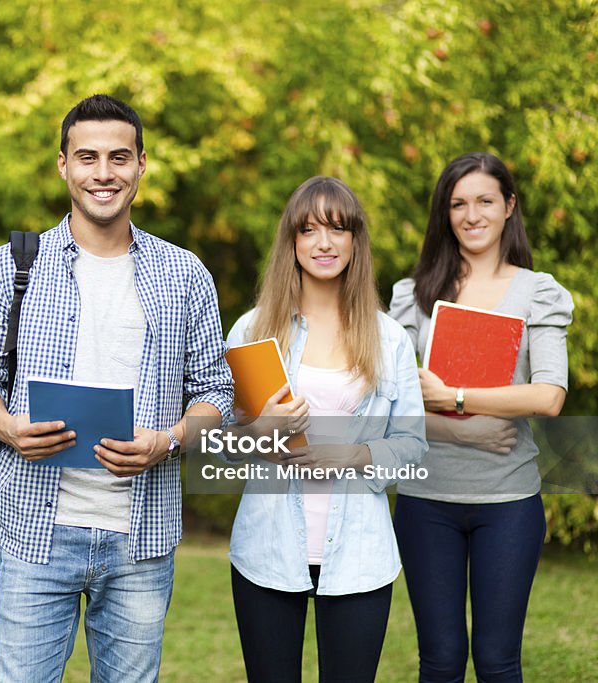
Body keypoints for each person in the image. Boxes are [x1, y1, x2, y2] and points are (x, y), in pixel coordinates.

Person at [0, 94, 234, 682]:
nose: (103, 173)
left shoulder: (184, 273)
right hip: (35, 530)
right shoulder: (15, 264)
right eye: (87, 157)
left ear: (141, 165)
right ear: (63, 164)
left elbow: (217, 391)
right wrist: (9, 428)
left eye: (118, 157)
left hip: (141, 535)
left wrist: (167, 441)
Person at [225, 176, 426, 682]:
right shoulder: (252, 331)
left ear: (355, 241)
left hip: (359, 554)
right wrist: (260, 429)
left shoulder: (389, 338)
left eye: (338, 229)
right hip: (266, 551)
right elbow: (224, 448)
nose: (323, 243)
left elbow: (413, 445)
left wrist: (354, 456)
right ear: (291, 242)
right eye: (308, 229)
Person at [388, 152, 573, 682]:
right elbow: (393, 404)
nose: (472, 215)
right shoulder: (414, 296)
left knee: (497, 661)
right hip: (426, 501)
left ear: (509, 206)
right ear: (445, 214)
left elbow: (549, 396)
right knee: (440, 661)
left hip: (508, 502)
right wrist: (458, 418)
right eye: (458, 204)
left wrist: (457, 396)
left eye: (485, 201)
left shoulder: (537, 292)